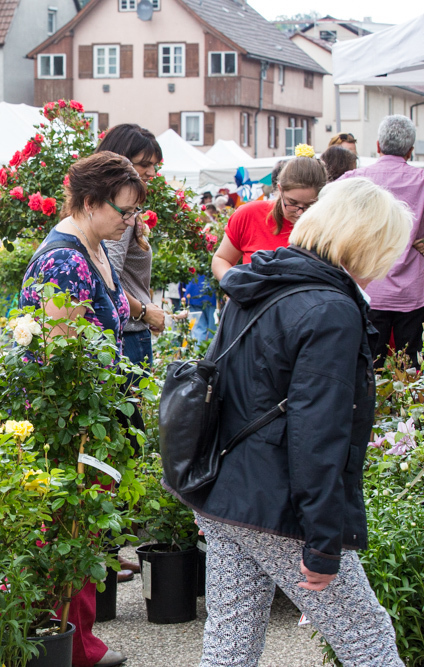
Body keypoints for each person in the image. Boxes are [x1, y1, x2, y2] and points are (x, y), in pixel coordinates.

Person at [176, 177, 409, 666]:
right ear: (366, 244)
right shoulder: (332, 310)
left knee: (231, 641)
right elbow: (317, 434)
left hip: (222, 487)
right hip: (276, 504)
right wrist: (323, 542)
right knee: (366, 637)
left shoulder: (257, 280)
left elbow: (214, 385)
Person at [20, 152, 147, 667]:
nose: (130, 221)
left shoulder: (94, 248)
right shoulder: (64, 260)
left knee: (83, 528)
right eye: (124, 210)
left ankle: (78, 641)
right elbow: (61, 351)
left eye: (134, 211)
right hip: (69, 420)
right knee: (66, 528)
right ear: (90, 202)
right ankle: (66, 645)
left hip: (91, 414)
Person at [336, 115, 424, 368]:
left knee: (367, 366)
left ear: (377, 146)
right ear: (410, 150)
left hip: (367, 287)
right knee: (410, 369)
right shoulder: (421, 179)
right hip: (412, 291)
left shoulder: (353, 180)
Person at [98, 124, 167, 367]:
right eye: (144, 164)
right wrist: (144, 311)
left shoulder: (111, 207)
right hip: (126, 336)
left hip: (125, 332)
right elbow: (107, 277)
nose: (152, 172)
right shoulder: (118, 214)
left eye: (154, 164)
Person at [211, 157, 327, 281]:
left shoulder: (330, 226)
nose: (300, 213)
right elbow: (222, 259)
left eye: (310, 205)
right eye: (292, 203)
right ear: (280, 190)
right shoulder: (249, 215)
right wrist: (235, 284)